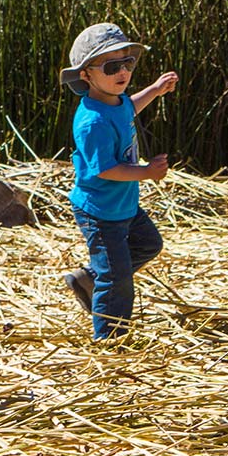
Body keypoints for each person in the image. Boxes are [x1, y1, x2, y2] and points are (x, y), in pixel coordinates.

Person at [59, 23, 178, 339]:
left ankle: (88, 279)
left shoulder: (117, 99)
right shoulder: (92, 121)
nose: (122, 71)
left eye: (127, 62)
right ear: (86, 74)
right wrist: (146, 172)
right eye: (112, 66)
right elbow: (106, 169)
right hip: (100, 212)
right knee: (118, 279)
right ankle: (110, 339)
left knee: (148, 244)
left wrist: (154, 90)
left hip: (123, 205)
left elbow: (129, 110)